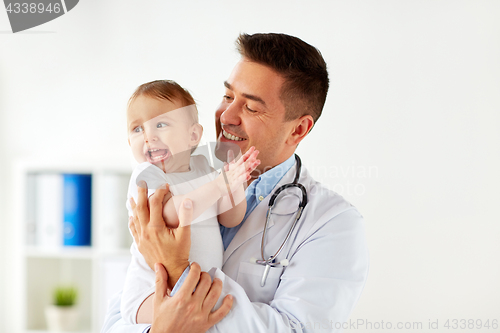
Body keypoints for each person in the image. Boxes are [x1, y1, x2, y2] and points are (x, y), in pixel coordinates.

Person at [102, 32, 369, 333]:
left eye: (251, 107)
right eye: (228, 97)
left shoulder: (332, 223)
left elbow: (294, 329)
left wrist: (178, 272)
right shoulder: (173, 176)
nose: (226, 116)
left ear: (298, 130)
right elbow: (118, 318)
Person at [122, 80, 260, 324]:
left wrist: (235, 185)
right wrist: (219, 185)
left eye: (161, 124)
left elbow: (230, 218)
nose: (148, 136)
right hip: (150, 291)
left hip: (194, 288)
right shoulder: (147, 175)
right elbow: (171, 214)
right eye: (137, 129)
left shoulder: (202, 169)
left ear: (193, 135)